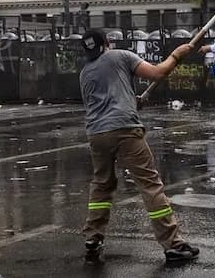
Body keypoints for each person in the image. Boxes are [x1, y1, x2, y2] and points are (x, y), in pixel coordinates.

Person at [78, 29, 199, 264]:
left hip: (96, 134)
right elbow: (157, 73)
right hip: (124, 129)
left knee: (101, 186)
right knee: (150, 184)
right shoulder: (120, 56)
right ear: (107, 43)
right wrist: (176, 55)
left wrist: (132, 103)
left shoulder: (85, 73)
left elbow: (101, 102)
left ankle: (93, 238)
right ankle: (173, 244)